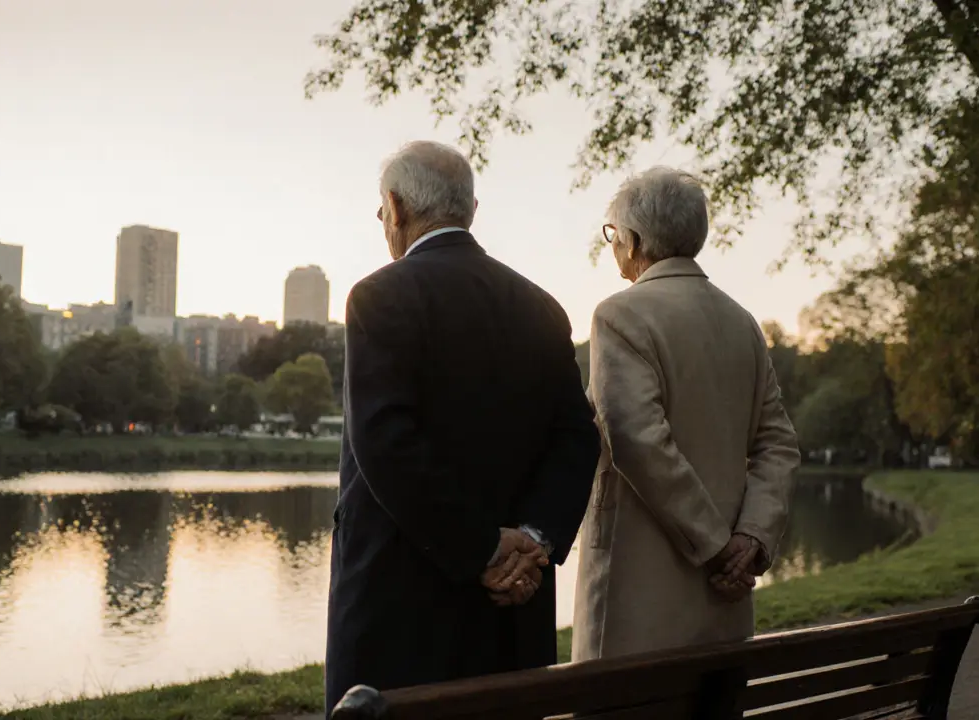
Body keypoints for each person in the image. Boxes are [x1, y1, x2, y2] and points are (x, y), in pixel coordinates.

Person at [325, 141, 600, 715]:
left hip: (398, 607)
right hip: (512, 611)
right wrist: (535, 540)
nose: (383, 222)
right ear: (471, 210)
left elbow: (385, 444)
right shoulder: (542, 307)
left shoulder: (379, 296)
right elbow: (578, 437)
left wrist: (481, 549)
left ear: (395, 209)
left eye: (381, 211)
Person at [572, 167, 800, 661]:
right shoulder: (742, 322)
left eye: (612, 234)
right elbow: (778, 445)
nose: (613, 246)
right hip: (724, 598)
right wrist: (751, 541)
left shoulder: (619, 315)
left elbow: (636, 438)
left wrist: (718, 546)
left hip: (639, 599)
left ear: (632, 241)